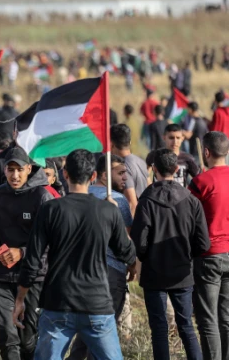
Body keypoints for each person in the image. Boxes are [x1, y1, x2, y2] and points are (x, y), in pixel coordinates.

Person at [13, 149, 136, 360]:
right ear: (93, 176)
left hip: (58, 303)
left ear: (65, 174)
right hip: (97, 303)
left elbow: (32, 261)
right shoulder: (108, 210)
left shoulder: (50, 209)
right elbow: (126, 252)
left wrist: (20, 299)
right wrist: (115, 216)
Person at [0, 147, 55, 360]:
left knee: (28, 340)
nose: (15, 175)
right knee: (7, 337)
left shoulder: (42, 196)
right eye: (10, 170)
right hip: (1, 276)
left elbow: (52, 239)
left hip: (34, 277)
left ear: (29, 169)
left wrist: (22, 252)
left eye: (19, 170)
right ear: (4, 170)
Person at [131, 148, 209, 360]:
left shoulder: (146, 200)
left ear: (153, 169)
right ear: (176, 169)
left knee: (159, 328)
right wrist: (187, 254)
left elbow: (139, 242)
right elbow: (203, 242)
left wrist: (146, 257)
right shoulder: (191, 200)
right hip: (182, 272)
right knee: (187, 326)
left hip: (154, 272)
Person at [67, 155, 134, 360]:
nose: (125, 177)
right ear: (104, 175)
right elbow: (125, 240)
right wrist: (132, 263)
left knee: (87, 331)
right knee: (102, 334)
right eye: (120, 173)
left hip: (78, 274)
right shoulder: (118, 200)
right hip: (110, 274)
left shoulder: (76, 198)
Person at [188, 132, 229, 360]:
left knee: (208, 319)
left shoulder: (200, 182)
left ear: (206, 152)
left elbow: (187, 217)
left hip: (209, 254)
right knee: (226, 317)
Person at [110, 123, 148, 213]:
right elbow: (149, 186)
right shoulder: (140, 161)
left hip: (135, 216)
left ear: (111, 144)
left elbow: (132, 203)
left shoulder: (123, 167)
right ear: (129, 142)